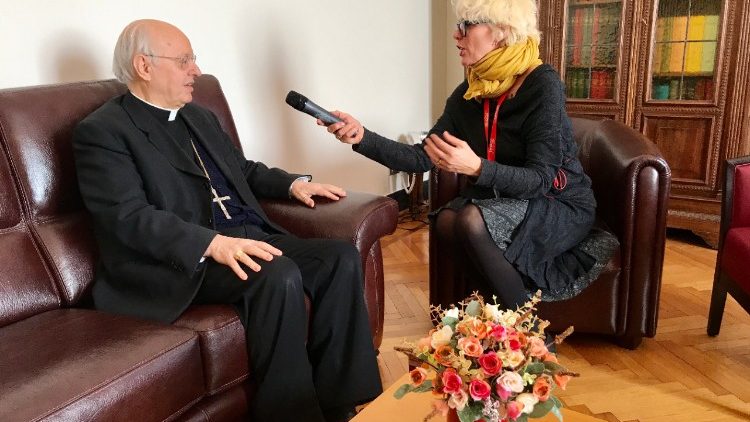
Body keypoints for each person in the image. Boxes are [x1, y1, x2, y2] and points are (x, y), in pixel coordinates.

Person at [73, 19, 381, 422]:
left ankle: (342, 406)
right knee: (276, 273)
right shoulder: (103, 132)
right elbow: (127, 217)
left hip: (243, 235)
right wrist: (212, 243)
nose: (196, 70)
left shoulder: (198, 116)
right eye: (184, 61)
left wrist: (292, 185)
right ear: (144, 66)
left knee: (338, 258)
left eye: (194, 59)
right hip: (184, 260)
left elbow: (241, 169)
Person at [320, 0, 618, 314]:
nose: (456, 34)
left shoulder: (542, 84)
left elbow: (540, 180)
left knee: (472, 220)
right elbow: (421, 157)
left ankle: (530, 331)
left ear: (501, 32)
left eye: (466, 26)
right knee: (447, 221)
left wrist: (476, 167)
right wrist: (361, 136)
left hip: (556, 202)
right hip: (504, 199)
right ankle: (501, 323)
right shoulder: (471, 92)